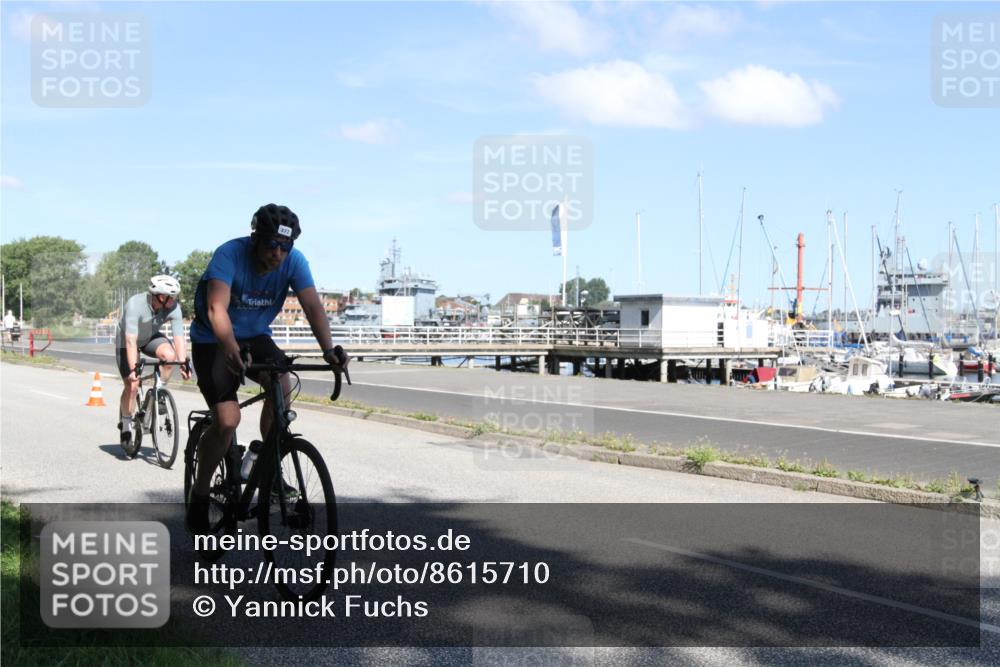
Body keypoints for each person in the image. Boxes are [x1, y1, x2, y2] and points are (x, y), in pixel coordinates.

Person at [187, 204, 348, 532]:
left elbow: (313, 306)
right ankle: (200, 494)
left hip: (256, 336)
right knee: (228, 419)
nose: (277, 253)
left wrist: (328, 350)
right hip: (213, 338)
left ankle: (266, 466)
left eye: (285, 246)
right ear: (255, 238)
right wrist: (231, 349)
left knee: (281, 387)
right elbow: (217, 308)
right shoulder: (229, 254)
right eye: (271, 244)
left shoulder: (294, 262)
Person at [116, 275, 191, 445]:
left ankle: (159, 391)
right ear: (160, 297)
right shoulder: (135, 305)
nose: (175, 301)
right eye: (172, 297)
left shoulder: (174, 308)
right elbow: (130, 341)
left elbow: (179, 338)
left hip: (149, 337)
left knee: (170, 356)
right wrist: (134, 369)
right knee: (132, 384)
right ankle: (126, 423)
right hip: (127, 340)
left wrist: (183, 362)